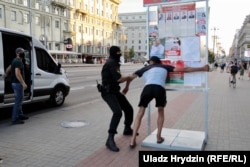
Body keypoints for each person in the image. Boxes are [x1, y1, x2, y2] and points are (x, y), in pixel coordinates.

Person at [125, 56, 209, 148]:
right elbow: (185, 69)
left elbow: (130, 77)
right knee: (160, 111)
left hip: (147, 88)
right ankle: (158, 137)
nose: (149, 63)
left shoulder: (145, 68)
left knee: (140, 113)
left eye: (150, 62)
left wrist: (126, 87)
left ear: (152, 62)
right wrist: (202, 68)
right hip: (159, 88)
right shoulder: (165, 67)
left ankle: (132, 140)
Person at [100, 46, 136, 152]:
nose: (120, 55)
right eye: (119, 53)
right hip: (108, 92)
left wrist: (127, 84)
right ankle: (110, 139)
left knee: (129, 109)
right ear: (115, 53)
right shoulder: (111, 63)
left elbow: (118, 79)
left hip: (114, 91)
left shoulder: (114, 62)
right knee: (117, 113)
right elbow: (119, 78)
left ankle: (127, 129)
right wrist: (130, 76)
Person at [5, 48, 29, 124]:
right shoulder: (18, 61)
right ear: (17, 53)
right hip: (18, 84)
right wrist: (23, 83)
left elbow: (8, 68)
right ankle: (14, 119)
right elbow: (17, 74)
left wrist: (6, 74)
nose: (22, 53)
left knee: (19, 100)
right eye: (21, 52)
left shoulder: (14, 60)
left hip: (15, 84)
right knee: (18, 102)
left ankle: (20, 115)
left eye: (22, 52)